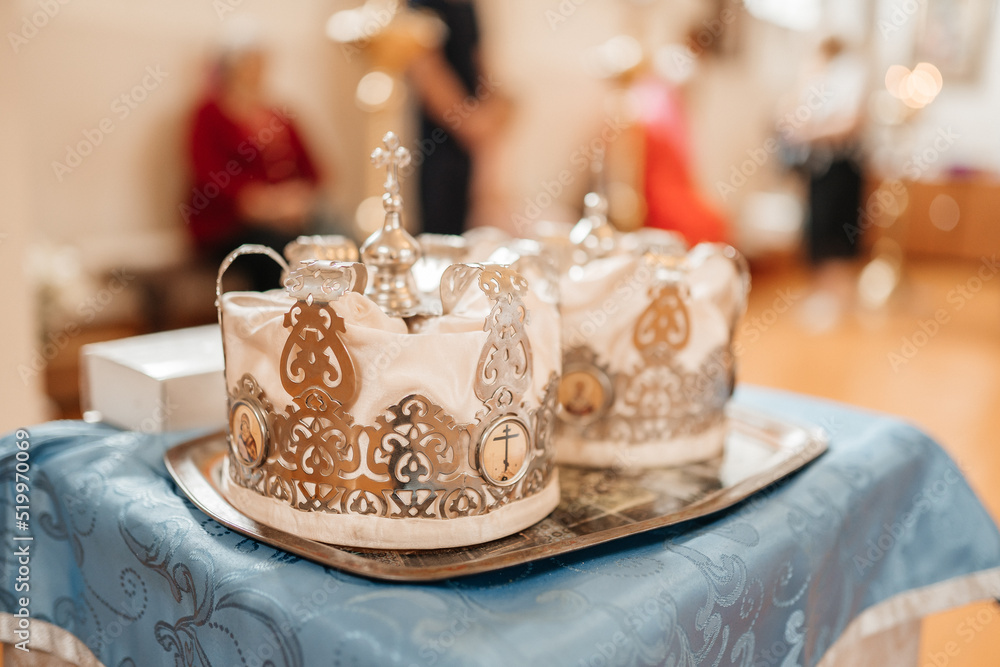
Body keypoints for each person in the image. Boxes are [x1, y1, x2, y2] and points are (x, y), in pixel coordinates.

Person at [182, 34, 323, 291]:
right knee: (274, 251)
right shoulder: (208, 113)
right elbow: (207, 174)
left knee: (328, 242)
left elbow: (315, 172)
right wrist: (258, 204)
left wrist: (295, 199)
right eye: (247, 62)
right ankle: (276, 323)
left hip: (288, 220)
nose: (254, 70)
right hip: (226, 226)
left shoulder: (281, 115)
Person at [782, 36, 868, 327]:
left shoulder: (851, 73)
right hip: (816, 165)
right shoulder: (813, 76)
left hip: (841, 165)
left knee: (838, 234)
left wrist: (811, 133)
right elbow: (793, 114)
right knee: (817, 231)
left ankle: (838, 300)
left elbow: (851, 123)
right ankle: (822, 296)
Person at [406, 0, 510, 234]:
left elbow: (479, 64)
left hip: (472, 136)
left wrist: (493, 109)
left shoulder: (468, 7)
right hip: (439, 138)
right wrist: (472, 124)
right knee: (440, 225)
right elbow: (426, 73)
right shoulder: (423, 5)